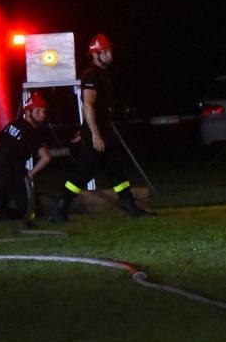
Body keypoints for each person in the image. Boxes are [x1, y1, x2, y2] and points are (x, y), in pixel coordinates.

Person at [49, 33, 154, 220]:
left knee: (116, 169)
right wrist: (95, 135)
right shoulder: (91, 75)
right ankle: (60, 209)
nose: (110, 56)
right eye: (105, 52)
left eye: (110, 52)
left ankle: (130, 207)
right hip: (95, 134)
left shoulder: (102, 75)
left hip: (105, 132)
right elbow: (87, 104)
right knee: (83, 173)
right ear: (95, 54)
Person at [0, 91, 54, 223]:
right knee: (32, 212)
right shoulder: (32, 133)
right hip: (12, 176)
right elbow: (46, 158)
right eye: (38, 111)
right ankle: (1, 213)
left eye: (44, 112)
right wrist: (30, 174)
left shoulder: (11, 125)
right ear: (28, 112)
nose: (42, 115)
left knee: (10, 189)